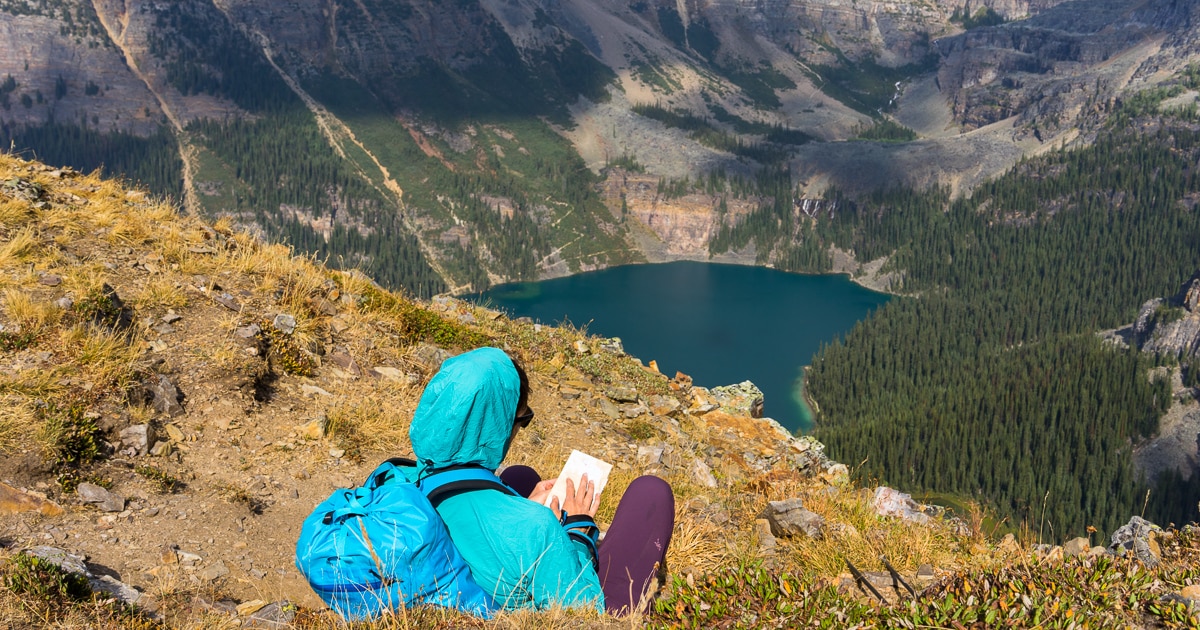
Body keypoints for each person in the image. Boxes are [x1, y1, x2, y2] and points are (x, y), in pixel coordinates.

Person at [408, 347, 675, 615]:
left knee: (518, 476)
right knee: (651, 493)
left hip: (474, 561)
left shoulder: (402, 479)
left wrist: (517, 504)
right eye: (521, 420)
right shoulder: (535, 527)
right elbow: (580, 610)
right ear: (496, 425)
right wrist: (576, 533)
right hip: (537, 599)